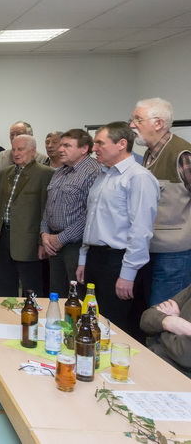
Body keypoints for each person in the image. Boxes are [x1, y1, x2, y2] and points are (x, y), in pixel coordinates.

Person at [78, 122, 160, 341]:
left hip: (118, 261)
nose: (94, 148)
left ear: (122, 144)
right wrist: (84, 259)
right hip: (95, 257)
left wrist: (128, 274)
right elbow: (92, 221)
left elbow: (141, 230)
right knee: (92, 321)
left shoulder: (138, 177)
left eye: (100, 143)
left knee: (117, 327)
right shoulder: (103, 176)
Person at [130, 98, 191, 306]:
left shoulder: (182, 153)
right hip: (150, 248)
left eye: (138, 120)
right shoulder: (149, 154)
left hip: (174, 254)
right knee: (148, 312)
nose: (132, 125)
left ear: (158, 123)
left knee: (162, 313)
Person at [0, 135, 53, 297]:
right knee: (4, 286)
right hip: (3, 237)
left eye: (21, 149)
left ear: (33, 151)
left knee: (32, 288)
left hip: (29, 241)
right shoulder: (5, 172)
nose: (16, 153)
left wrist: (42, 242)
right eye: (14, 149)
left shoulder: (45, 173)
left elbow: (46, 210)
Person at [40, 129, 100, 296]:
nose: (60, 149)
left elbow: (90, 214)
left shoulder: (93, 171)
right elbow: (49, 206)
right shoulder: (60, 172)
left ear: (84, 148)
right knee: (56, 294)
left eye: (67, 146)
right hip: (53, 242)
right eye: (61, 145)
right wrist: (44, 233)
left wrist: (62, 238)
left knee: (76, 296)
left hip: (77, 245)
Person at [140, 285, 191, 377]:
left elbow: (185, 356)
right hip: (152, 359)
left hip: (179, 377)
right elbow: (146, 318)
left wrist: (163, 329)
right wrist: (170, 321)